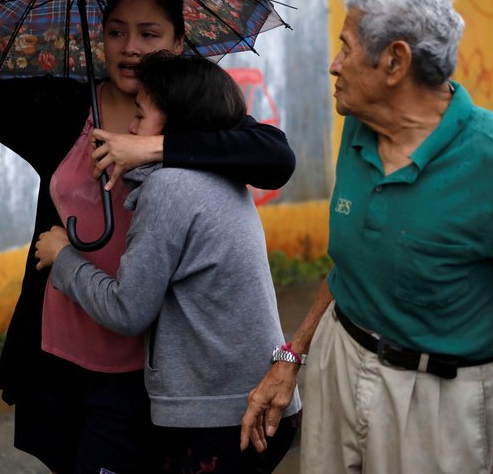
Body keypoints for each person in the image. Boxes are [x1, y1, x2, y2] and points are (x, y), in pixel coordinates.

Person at [0, 0, 296, 474]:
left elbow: (274, 157)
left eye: (149, 34)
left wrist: (151, 147)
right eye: (115, 32)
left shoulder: (190, 113)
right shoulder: (67, 106)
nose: (130, 48)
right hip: (58, 350)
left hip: (140, 367)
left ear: (179, 42)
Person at [239, 0, 493, 473]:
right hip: (341, 367)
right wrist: (293, 355)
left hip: (441, 404)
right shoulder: (360, 127)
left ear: (395, 62)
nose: (333, 65)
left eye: (346, 47)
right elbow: (349, 267)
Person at [34, 51, 300, 474]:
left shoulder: (171, 187)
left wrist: (63, 258)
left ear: (176, 125)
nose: (133, 129)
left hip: (224, 416)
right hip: (246, 402)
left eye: (141, 115)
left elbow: (127, 311)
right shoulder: (216, 171)